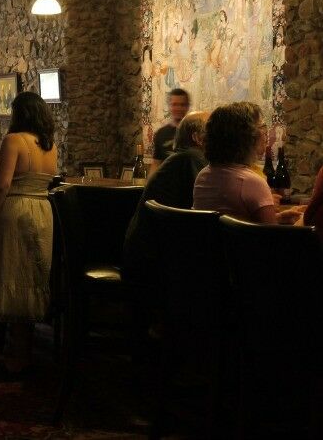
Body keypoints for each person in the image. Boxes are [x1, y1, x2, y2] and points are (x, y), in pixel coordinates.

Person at [0, 91, 57, 373]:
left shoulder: (14, 141)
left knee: (13, 274)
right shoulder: (49, 145)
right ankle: (23, 351)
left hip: (15, 211)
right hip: (42, 211)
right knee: (32, 277)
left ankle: (19, 354)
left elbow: (1, 185)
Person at [123, 112, 209, 356]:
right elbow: (205, 206)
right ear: (198, 138)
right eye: (210, 131)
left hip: (145, 257)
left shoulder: (178, 160)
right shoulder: (191, 160)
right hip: (157, 266)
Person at [193, 102, 298, 224]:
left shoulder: (203, 176)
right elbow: (271, 237)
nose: (266, 133)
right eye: (262, 127)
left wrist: (278, 218)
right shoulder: (251, 182)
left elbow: (233, 222)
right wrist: (301, 222)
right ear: (246, 137)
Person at [150, 88, 190, 175]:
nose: (178, 108)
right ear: (169, 106)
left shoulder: (194, 133)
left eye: (182, 105)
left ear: (187, 107)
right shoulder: (161, 134)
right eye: (175, 104)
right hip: (166, 186)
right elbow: (156, 164)